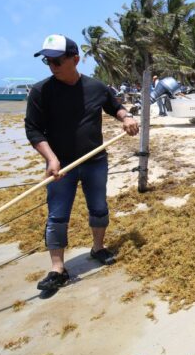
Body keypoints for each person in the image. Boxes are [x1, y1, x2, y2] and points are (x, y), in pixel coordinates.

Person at [25, 34, 139, 292]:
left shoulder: (96, 87)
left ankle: (98, 248)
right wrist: (50, 158)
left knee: (98, 207)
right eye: (47, 61)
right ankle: (57, 269)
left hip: (94, 160)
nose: (52, 65)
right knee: (57, 215)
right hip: (61, 166)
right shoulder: (41, 91)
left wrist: (126, 118)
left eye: (57, 60)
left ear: (75, 59)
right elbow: (33, 130)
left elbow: (115, 106)